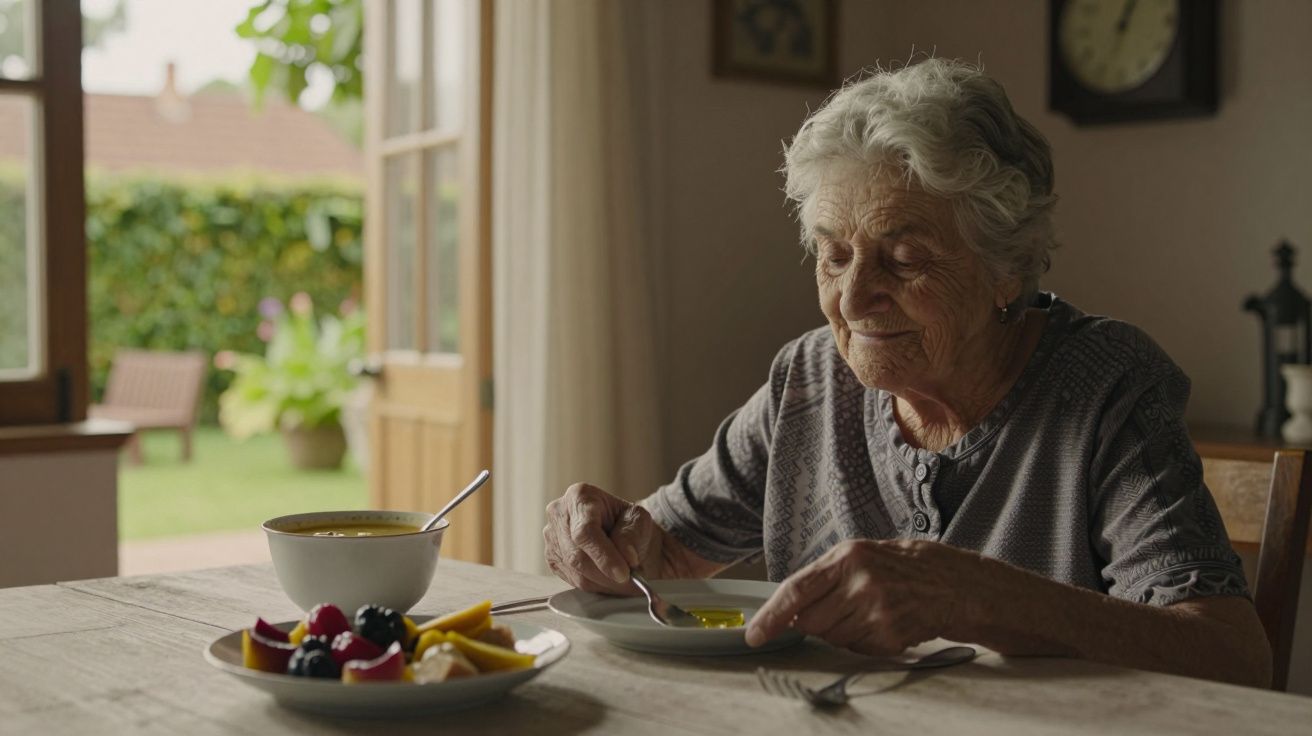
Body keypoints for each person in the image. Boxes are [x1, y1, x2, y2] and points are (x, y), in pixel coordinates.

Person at [542, 59, 1271, 687]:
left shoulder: (1106, 385)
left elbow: (1231, 656)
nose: (854, 299)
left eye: (905, 258)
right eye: (834, 255)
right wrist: (613, 542)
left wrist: (978, 597)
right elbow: (665, 556)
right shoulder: (809, 381)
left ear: (1006, 269)